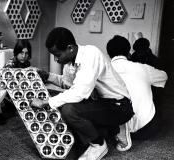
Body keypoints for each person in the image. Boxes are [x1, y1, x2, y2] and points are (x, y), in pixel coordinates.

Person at [31, 27, 134, 160]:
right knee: (64, 106)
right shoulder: (70, 63)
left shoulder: (91, 54)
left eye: (58, 55)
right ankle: (106, 130)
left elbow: (79, 92)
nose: (56, 60)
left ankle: (99, 144)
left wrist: (46, 102)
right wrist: (48, 76)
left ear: (70, 48)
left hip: (119, 106)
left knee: (69, 110)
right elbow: (67, 83)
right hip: (99, 102)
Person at [106, 35, 168, 151]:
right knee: (155, 84)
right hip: (146, 129)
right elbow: (164, 76)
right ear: (128, 52)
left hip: (114, 129)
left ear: (109, 54)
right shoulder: (142, 67)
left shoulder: (103, 71)